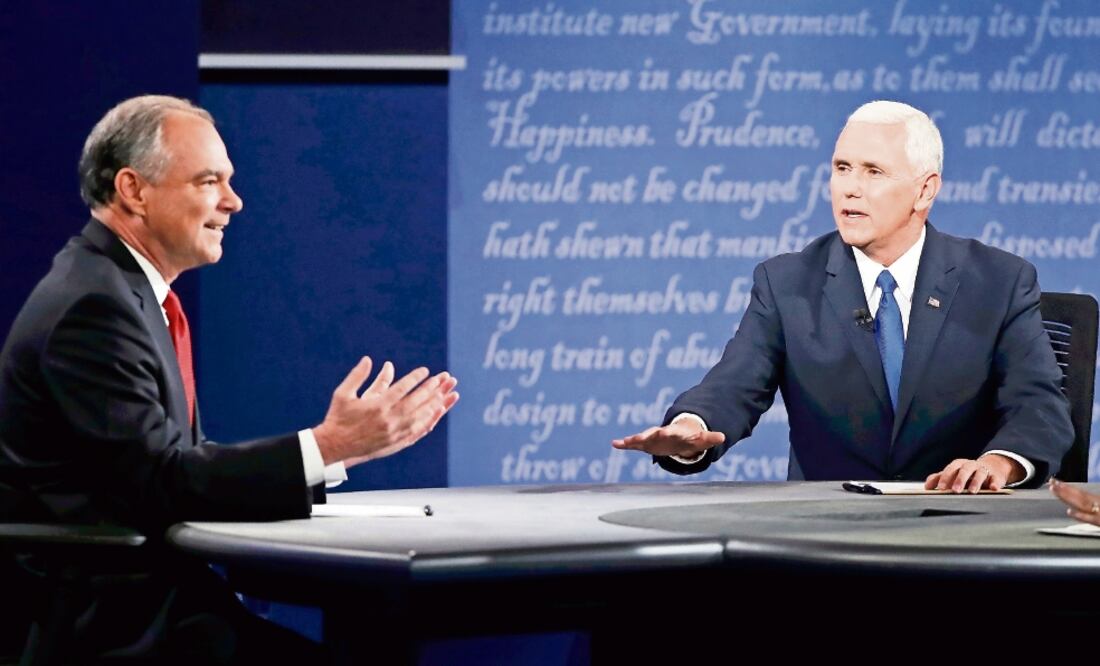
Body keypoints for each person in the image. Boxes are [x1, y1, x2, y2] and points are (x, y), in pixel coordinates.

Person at [0, 95, 459, 663]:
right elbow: (161, 480)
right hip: (115, 625)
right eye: (208, 181)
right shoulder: (92, 307)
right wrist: (328, 443)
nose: (234, 201)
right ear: (133, 190)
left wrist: (340, 451)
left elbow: (165, 462)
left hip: (161, 604)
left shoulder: (119, 289)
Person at [613, 100, 1072, 492]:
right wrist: (690, 428)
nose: (850, 187)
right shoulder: (787, 283)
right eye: (842, 168)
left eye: (874, 172)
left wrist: (997, 465)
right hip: (828, 542)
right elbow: (733, 386)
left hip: (961, 532)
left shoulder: (998, 280)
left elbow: (1039, 405)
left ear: (924, 189)